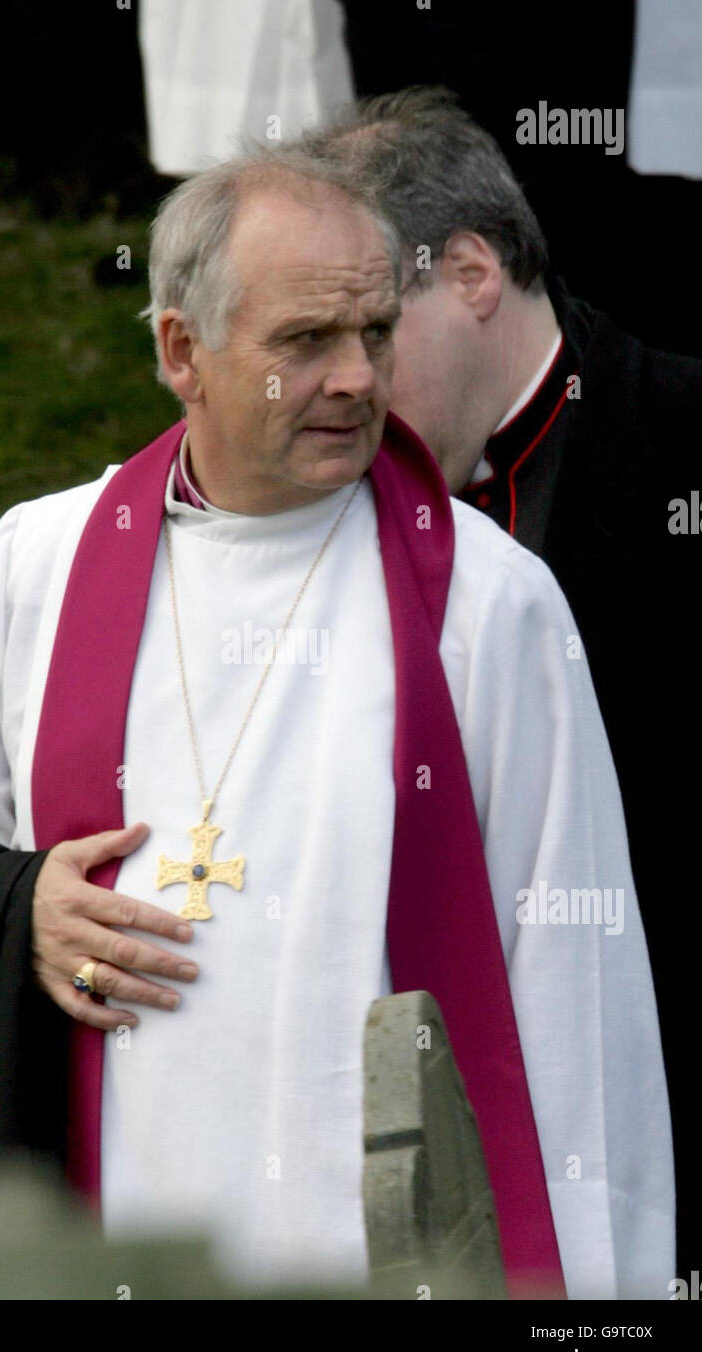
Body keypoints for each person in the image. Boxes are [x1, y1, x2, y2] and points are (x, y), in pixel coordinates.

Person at [0, 146, 672, 1300]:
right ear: (182, 350)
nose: (355, 378)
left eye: (376, 332)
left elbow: (578, 990)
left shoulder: (492, 609)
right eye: (306, 342)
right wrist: (15, 907)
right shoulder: (39, 563)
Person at [301, 87, 702, 1285]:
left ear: (472, 271)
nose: (349, 383)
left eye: (376, 331)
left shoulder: (682, 431)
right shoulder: (318, 492)